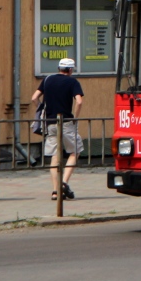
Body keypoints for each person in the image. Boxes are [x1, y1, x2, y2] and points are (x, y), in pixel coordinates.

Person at [31, 57, 84, 200]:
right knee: (74, 152)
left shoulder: (48, 79)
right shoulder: (72, 82)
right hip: (66, 122)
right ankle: (64, 183)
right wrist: (75, 117)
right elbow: (79, 101)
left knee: (55, 157)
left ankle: (55, 191)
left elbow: (34, 98)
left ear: (58, 68)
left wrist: (42, 108)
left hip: (50, 123)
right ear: (71, 70)